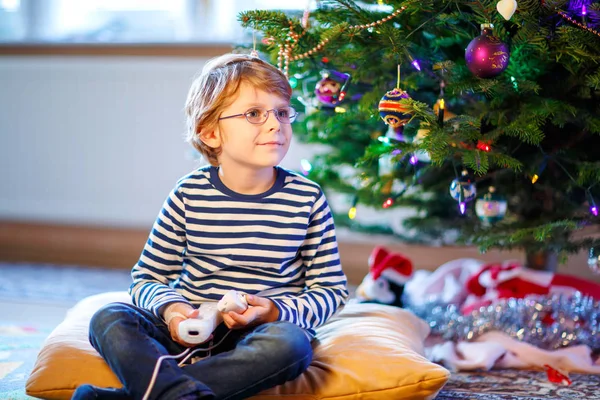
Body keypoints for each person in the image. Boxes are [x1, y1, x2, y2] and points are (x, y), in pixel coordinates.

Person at [72, 53, 348, 400]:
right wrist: (173, 311)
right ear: (211, 132)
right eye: (254, 114)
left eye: (281, 112)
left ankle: (160, 393)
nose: (276, 124)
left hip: (262, 333)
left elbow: (331, 290)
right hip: (189, 325)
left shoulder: (306, 198)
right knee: (108, 318)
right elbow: (147, 278)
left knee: (292, 344)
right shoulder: (189, 193)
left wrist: (276, 311)